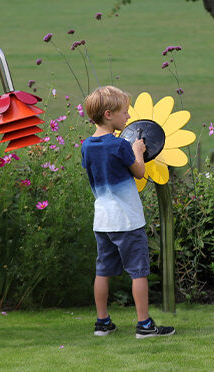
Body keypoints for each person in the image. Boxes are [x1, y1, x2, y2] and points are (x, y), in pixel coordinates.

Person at [81, 86, 175, 339]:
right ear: (109, 114)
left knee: (102, 271)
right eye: (125, 112)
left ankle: (102, 322)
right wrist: (138, 152)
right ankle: (144, 325)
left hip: (102, 219)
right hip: (127, 220)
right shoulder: (120, 145)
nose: (129, 117)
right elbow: (139, 172)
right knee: (138, 271)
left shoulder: (87, 146)